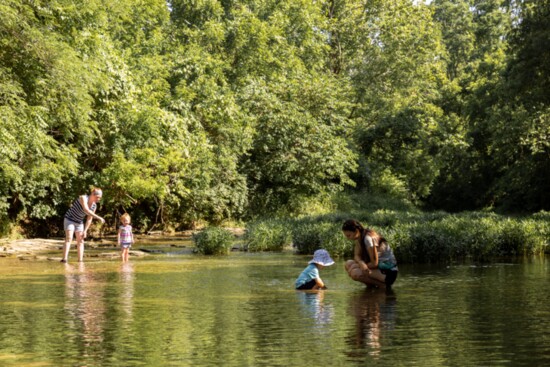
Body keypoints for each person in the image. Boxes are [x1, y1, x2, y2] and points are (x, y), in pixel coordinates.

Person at [342, 219, 398, 289]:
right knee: (349, 263)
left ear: (356, 231)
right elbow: (356, 255)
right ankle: (371, 286)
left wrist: (359, 266)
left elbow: (375, 263)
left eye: (349, 235)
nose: (348, 238)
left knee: (355, 272)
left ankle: (382, 286)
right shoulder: (359, 237)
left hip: (389, 272)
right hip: (378, 269)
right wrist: (361, 263)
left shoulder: (368, 239)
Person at [61, 187, 105, 263]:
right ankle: (64, 259)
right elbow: (86, 209)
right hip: (69, 219)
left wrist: (85, 230)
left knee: (81, 241)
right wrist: (99, 217)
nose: (98, 199)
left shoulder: (94, 206)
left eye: (100, 198)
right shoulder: (83, 198)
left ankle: (80, 261)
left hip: (79, 222)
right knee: (69, 238)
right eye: (97, 197)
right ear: (92, 194)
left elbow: (89, 218)